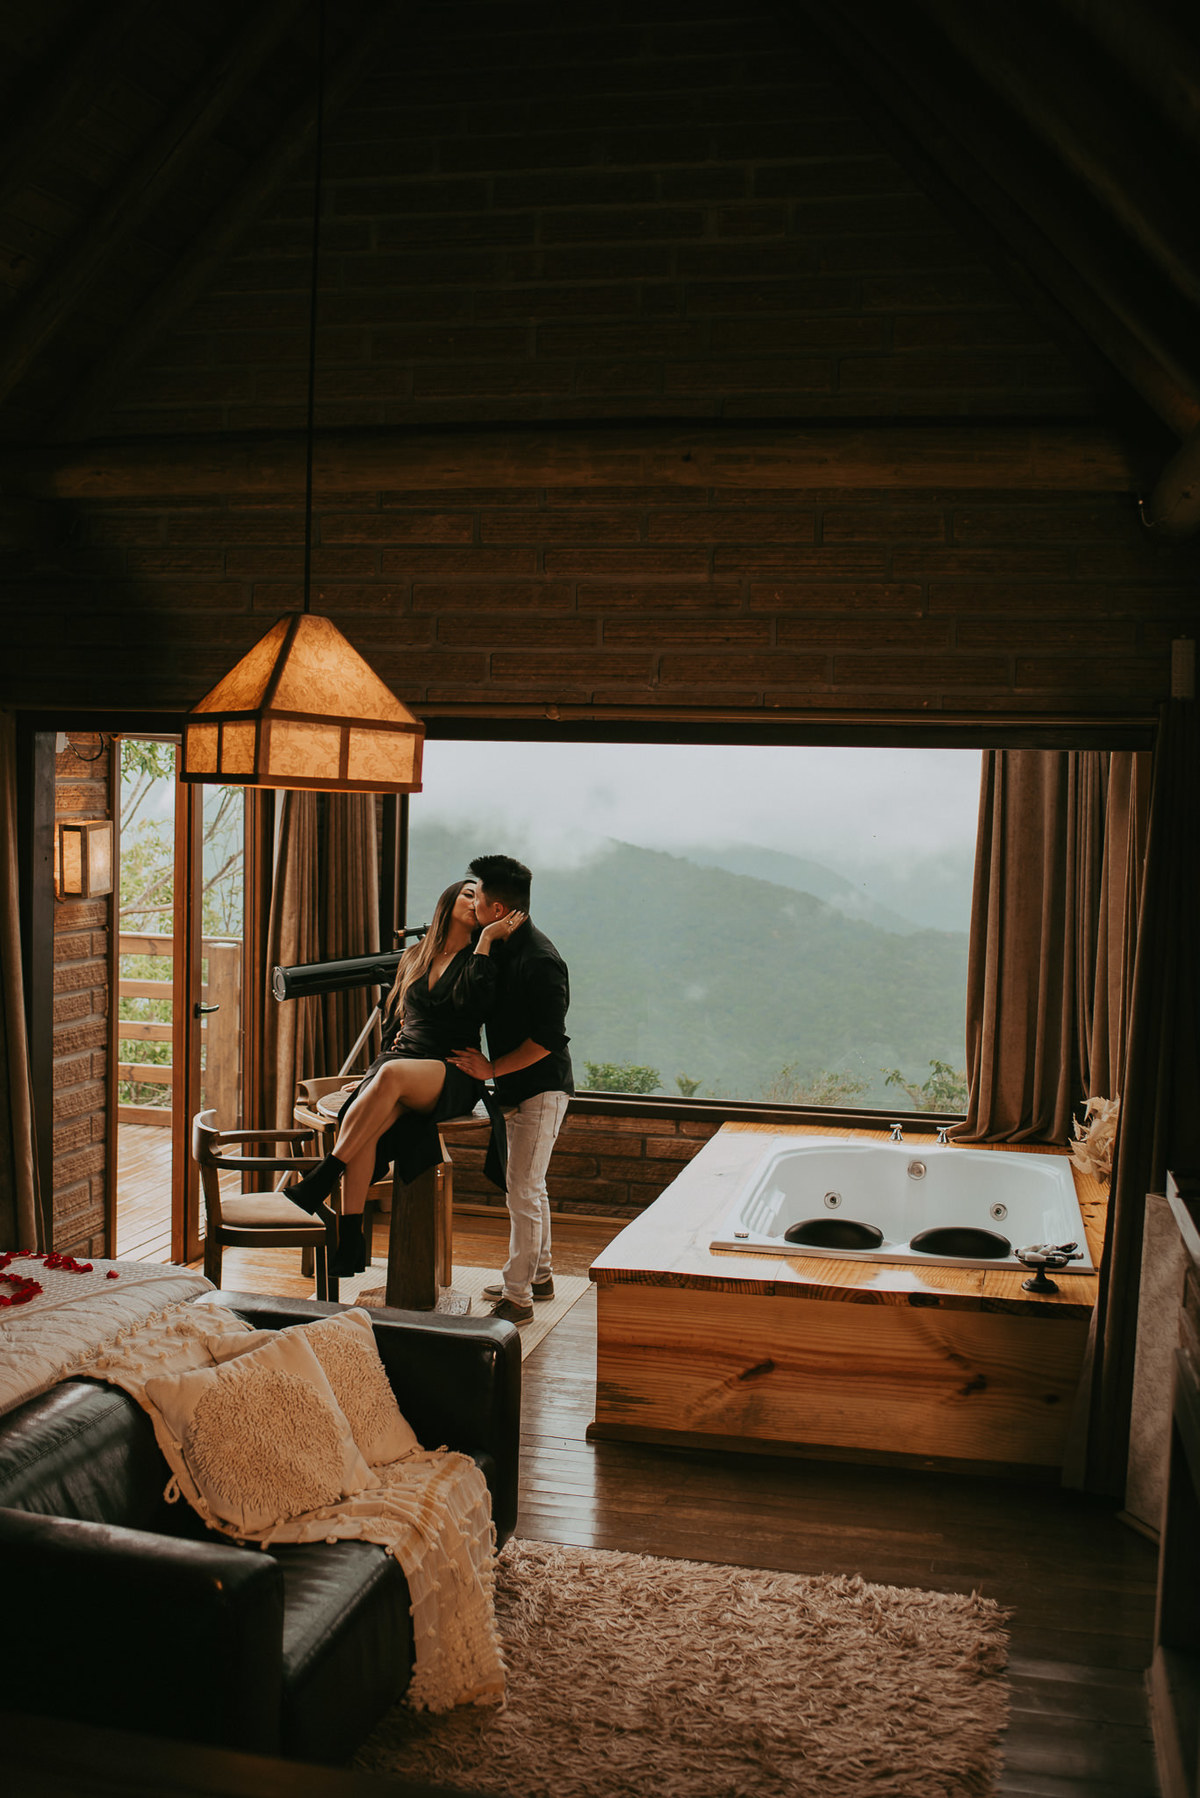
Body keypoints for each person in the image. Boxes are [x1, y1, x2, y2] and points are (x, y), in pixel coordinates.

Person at [286, 877, 521, 1275]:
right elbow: (395, 1024)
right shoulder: (415, 957)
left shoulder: (484, 961)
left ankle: (324, 1175)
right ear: (447, 901)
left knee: (390, 1078)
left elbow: (474, 1002)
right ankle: (350, 1240)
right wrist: (371, 1076)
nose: (475, 900)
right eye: (468, 892)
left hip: (452, 1070)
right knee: (367, 1119)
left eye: (480, 897)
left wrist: (484, 942)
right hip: (400, 1065)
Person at [448, 854, 573, 1324]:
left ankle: (518, 1299)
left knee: (522, 1191)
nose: (470, 901)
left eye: (475, 895)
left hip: (542, 1088)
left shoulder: (542, 960)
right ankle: (538, 1276)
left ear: (497, 908)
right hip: (512, 1087)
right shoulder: (498, 944)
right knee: (528, 1188)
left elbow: (548, 1039)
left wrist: (491, 1068)